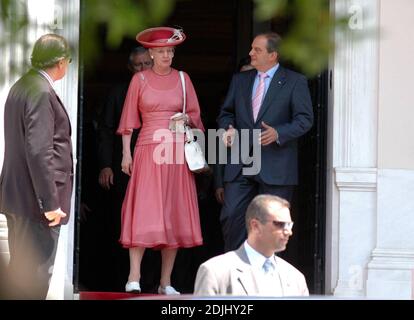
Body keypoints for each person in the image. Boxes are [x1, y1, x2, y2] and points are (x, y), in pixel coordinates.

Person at [116, 27, 204, 295]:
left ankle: (166, 281)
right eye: (162, 51)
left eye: (170, 51)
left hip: (175, 150)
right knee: (144, 210)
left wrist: (186, 119)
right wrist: (126, 153)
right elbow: (129, 120)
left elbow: (196, 116)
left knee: (172, 212)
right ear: (151, 54)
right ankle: (134, 276)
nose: (167, 55)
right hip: (147, 149)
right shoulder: (139, 80)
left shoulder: (183, 78)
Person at [217, 32, 314, 251]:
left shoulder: (294, 81)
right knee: (232, 217)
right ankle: (235, 273)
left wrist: (279, 133)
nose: (251, 53)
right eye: (252, 48)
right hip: (241, 160)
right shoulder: (240, 80)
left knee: (273, 224)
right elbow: (226, 113)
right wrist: (227, 129)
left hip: (275, 163)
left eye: (257, 50)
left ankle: (265, 277)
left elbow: (305, 119)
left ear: (273, 55)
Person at [0, 33, 73, 299]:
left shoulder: (21, 85)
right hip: (36, 203)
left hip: (17, 197)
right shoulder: (41, 91)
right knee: (36, 277)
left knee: (20, 275)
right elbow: (40, 151)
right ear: (62, 62)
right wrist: (51, 204)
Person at [96, 46, 153, 291]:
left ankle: (149, 282)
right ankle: (122, 281)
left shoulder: (161, 90)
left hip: (154, 167)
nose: (142, 69)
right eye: (137, 66)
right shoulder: (119, 92)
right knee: (122, 224)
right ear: (130, 68)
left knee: (152, 223)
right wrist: (105, 165)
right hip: (123, 169)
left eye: (146, 65)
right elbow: (106, 130)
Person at [194, 194, 309, 296]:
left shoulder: (295, 278)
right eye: (280, 224)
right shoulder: (215, 271)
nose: (288, 232)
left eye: (289, 225)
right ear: (255, 226)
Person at [214, 56, 255, 205]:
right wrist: (219, 183)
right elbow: (219, 149)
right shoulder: (229, 113)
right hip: (235, 174)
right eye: (244, 76)